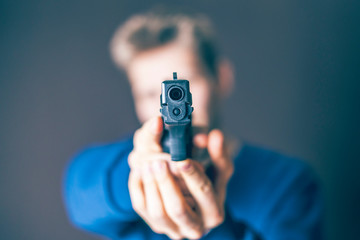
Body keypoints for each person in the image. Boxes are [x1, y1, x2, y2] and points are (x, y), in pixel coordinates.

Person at [63, 10, 323, 240]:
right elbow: (79, 193)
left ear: (221, 78)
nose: (166, 105)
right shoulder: (119, 165)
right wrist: (143, 174)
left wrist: (213, 229)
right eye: (149, 93)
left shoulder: (287, 183)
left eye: (181, 87)